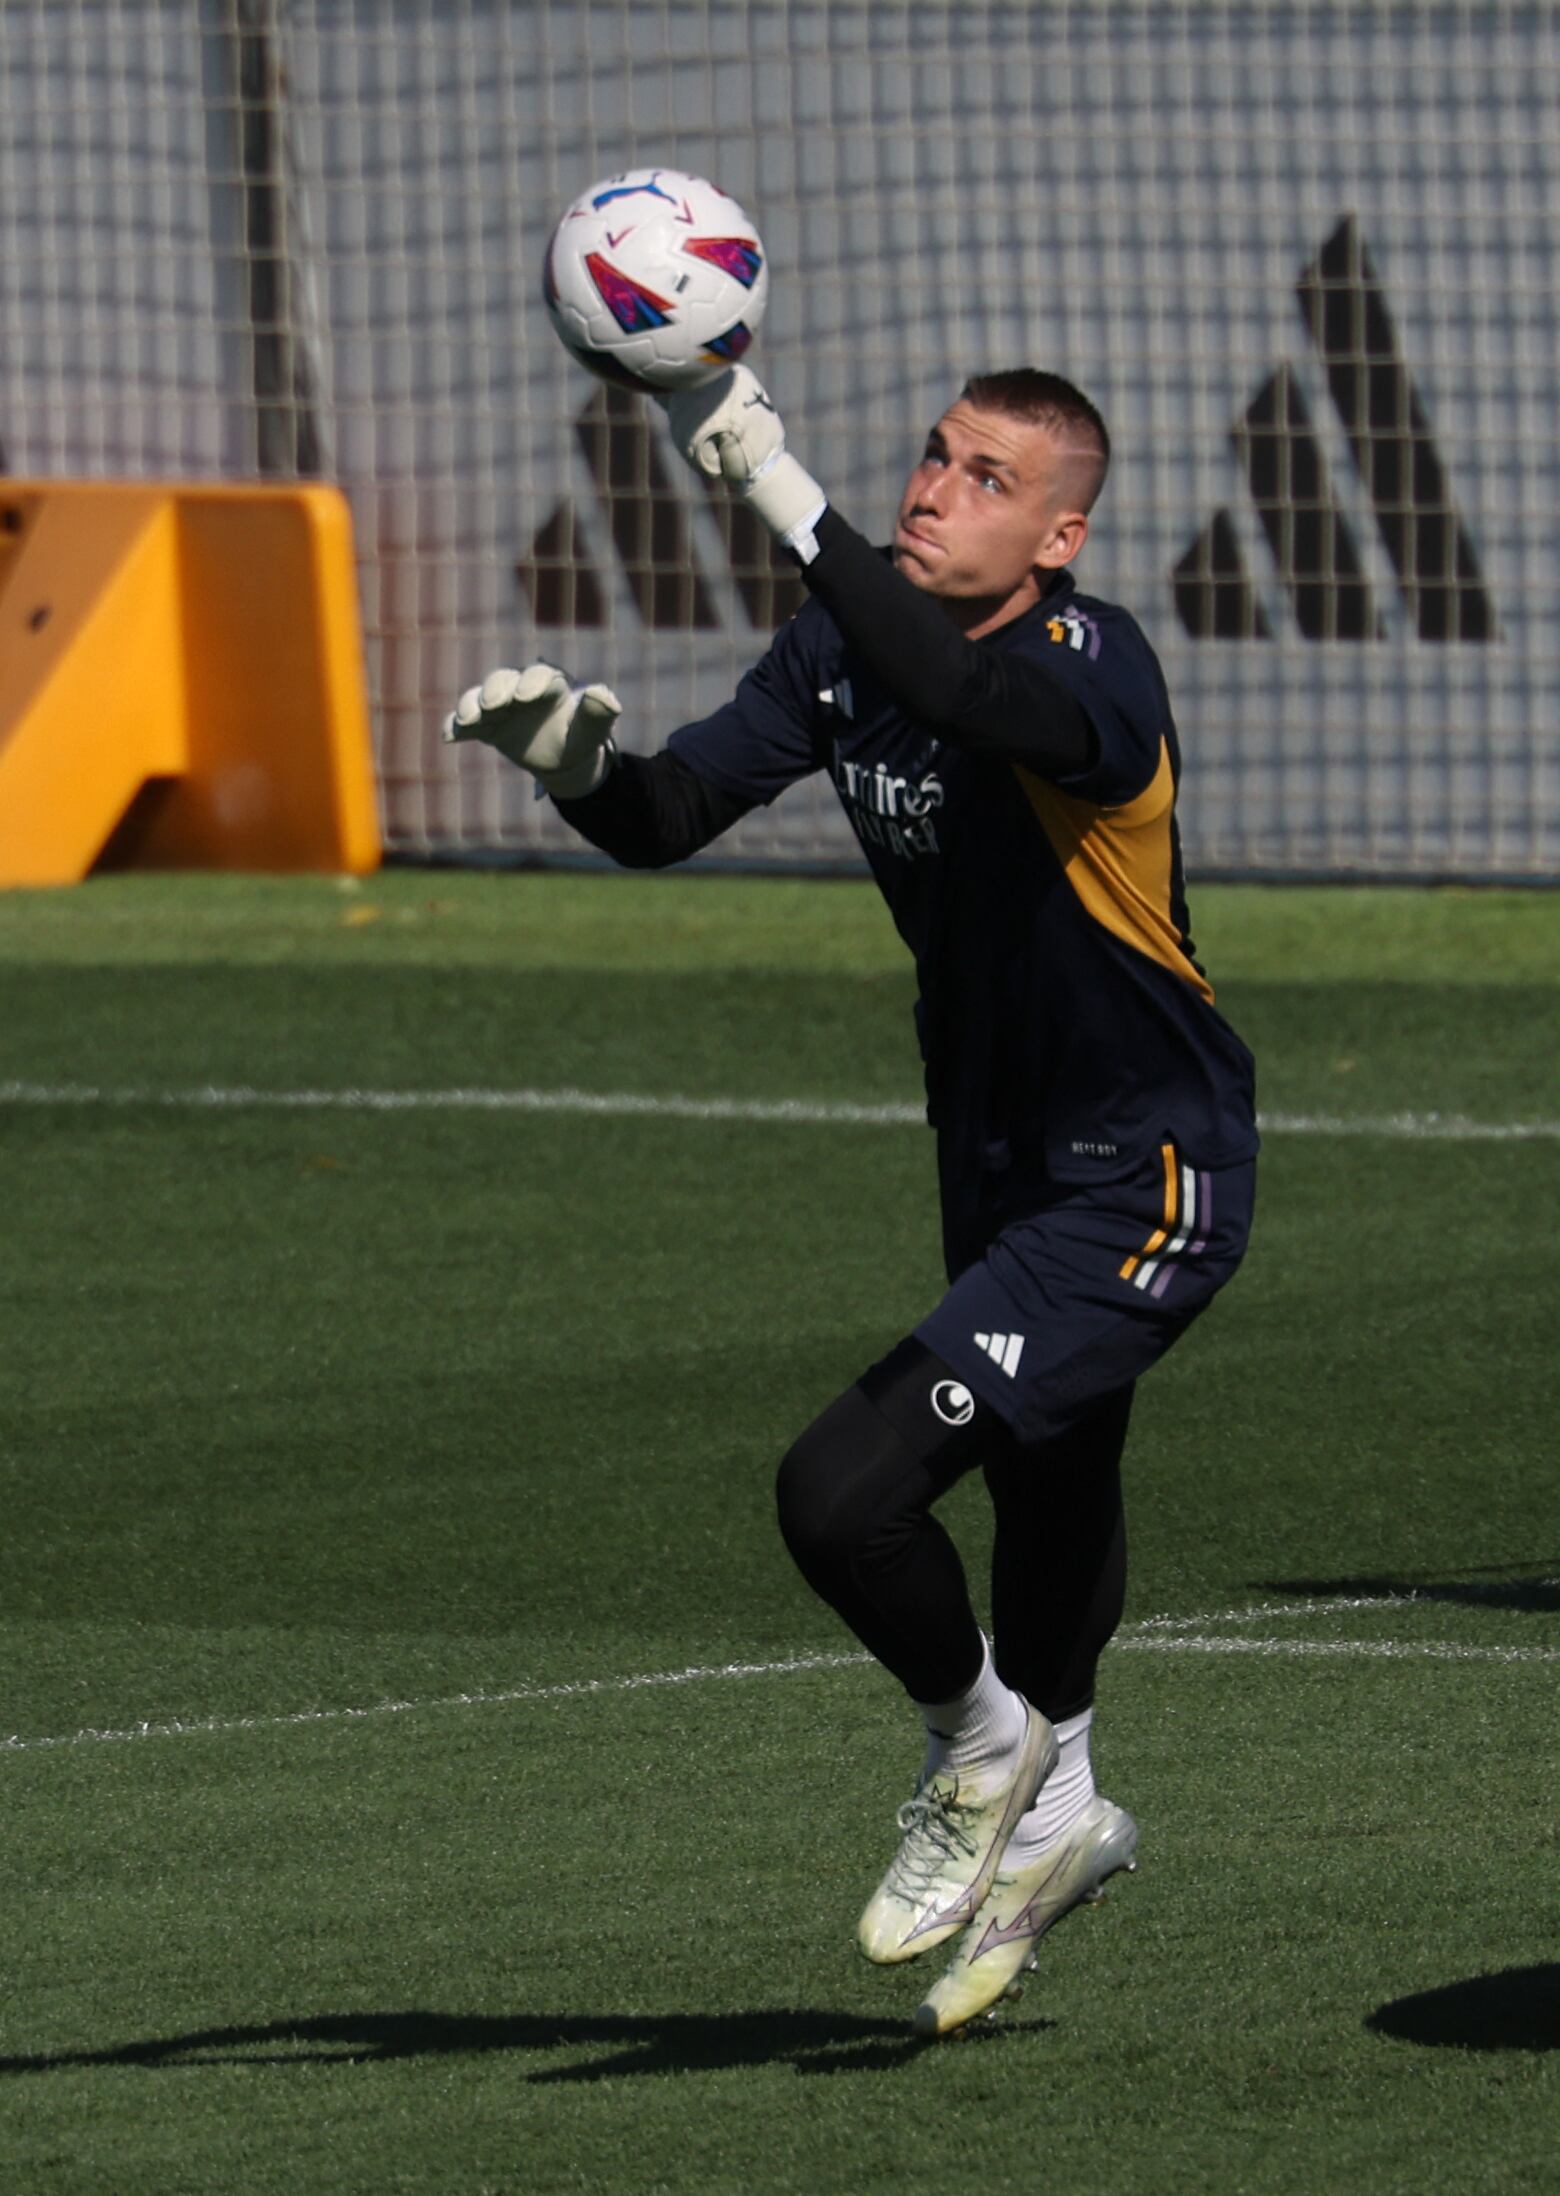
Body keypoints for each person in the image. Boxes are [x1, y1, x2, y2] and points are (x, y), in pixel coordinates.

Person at [444, 364, 1258, 2037]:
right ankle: (1062, 1815)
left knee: (837, 1496)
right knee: (1049, 1482)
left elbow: (960, 698)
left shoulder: (1089, 664)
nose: (939, 487)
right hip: (1000, 1171)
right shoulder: (842, 653)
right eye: (936, 458)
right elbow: (673, 812)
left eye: (990, 476)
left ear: (1061, 534)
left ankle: (980, 1751)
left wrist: (782, 493)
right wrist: (576, 771)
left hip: (1147, 1177)